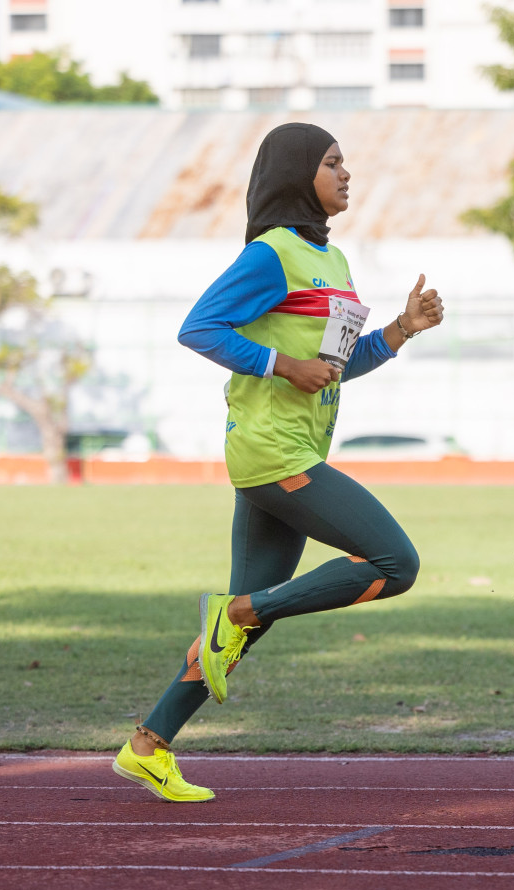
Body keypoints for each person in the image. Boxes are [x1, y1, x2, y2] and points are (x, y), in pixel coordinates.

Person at [111, 123, 445, 801]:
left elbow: (332, 370)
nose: (346, 173)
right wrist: (281, 362)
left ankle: (148, 744)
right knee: (395, 564)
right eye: (332, 162)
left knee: (250, 623)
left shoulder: (335, 261)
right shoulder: (271, 256)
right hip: (270, 452)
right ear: (298, 175)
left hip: (297, 449)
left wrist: (403, 329)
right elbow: (199, 328)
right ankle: (232, 613)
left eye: (345, 161)